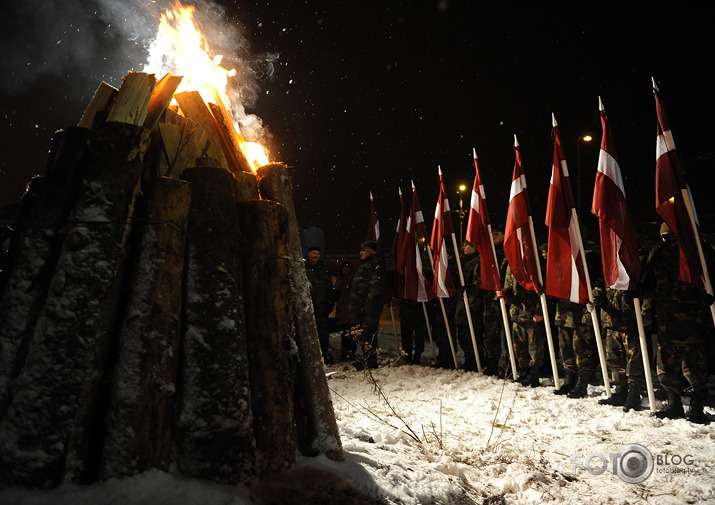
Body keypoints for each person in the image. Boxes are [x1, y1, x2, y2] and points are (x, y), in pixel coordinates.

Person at [641, 222, 713, 423]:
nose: (666, 240)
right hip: (666, 319)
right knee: (666, 364)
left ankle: (696, 405)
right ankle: (674, 403)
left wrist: (709, 295)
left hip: (693, 319)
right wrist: (640, 292)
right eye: (663, 236)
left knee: (693, 364)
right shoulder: (657, 254)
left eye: (670, 235)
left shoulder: (699, 250)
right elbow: (649, 281)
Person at [594, 286, 646, 412]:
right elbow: (600, 284)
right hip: (611, 317)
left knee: (633, 357)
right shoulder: (607, 268)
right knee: (613, 357)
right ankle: (620, 390)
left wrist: (645, 310)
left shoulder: (630, 266)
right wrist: (594, 297)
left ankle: (634, 392)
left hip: (630, 317)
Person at [502, 263, 545, 387]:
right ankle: (524, 372)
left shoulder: (532, 260)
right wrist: (507, 294)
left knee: (535, 346)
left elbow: (540, 288)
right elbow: (508, 284)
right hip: (517, 312)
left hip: (531, 313)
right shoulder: (511, 263)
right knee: (519, 346)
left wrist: (539, 311)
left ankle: (534, 375)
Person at [349, 240, 386, 369]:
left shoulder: (375, 264)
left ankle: (370, 362)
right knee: (362, 335)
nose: (361, 252)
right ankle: (366, 359)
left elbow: (375, 287)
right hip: (361, 307)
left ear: (371, 251)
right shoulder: (365, 264)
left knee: (369, 334)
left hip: (369, 308)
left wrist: (368, 305)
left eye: (363, 250)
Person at [454, 239, 484, 371]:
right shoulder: (464, 262)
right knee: (462, 334)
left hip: (473, 304)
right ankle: (468, 358)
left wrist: (467, 288)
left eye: (466, 245)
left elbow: (478, 284)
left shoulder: (477, 262)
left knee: (473, 334)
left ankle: (475, 360)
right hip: (463, 304)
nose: (463, 247)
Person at [482, 224, 507, 377]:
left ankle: (510, 364)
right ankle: (492, 362)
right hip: (490, 301)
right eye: (492, 234)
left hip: (506, 300)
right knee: (491, 334)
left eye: (497, 233)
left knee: (508, 336)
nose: (494, 236)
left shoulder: (508, 252)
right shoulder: (488, 253)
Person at [305, 245, 335, 364]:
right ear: (308, 254)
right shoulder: (303, 268)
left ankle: (323, 356)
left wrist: (329, 304)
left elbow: (329, 288)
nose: (315, 256)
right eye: (313, 253)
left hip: (322, 309)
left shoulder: (323, 269)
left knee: (323, 335)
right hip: (307, 309)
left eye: (317, 253)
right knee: (307, 334)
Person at [334, 261, 357, 361]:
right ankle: (345, 354)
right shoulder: (341, 281)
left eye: (347, 268)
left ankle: (350, 354)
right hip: (343, 312)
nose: (346, 270)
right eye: (344, 268)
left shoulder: (353, 281)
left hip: (350, 312)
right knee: (344, 335)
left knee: (351, 335)